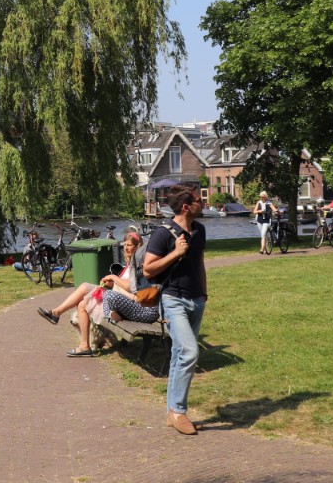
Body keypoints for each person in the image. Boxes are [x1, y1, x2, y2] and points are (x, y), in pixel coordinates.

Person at [143, 183, 207, 436]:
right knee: (190, 352)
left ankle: (172, 413)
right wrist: (176, 252)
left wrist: (204, 293)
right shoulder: (163, 233)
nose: (202, 204)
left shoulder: (200, 230)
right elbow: (148, 269)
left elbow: (200, 261)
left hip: (196, 300)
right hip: (173, 299)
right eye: (198, 201)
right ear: (185, 206)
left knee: (180, 355)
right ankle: (179, 411)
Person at [38, 229, 154, 356]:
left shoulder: (140, 263)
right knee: (82, 304)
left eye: (129, 245)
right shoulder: (130, 263)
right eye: (124, 245)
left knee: (85, 288)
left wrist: (113, 278)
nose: (126, 248)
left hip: (127, 304)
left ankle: (57, 313)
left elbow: (131, 286)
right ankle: (84, 345)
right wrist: (112, 283)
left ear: (138, 246)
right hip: (119, 299)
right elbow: (123, 284)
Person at [253, 190, 278, 255]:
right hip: (259, 220)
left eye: (263, 197)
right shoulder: (258, 203)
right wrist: (259, 211)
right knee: (262, 234)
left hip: (266, 221)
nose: (261, 198)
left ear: (266, 197)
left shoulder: (269, 203)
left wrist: (275, 211)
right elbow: (254, 211)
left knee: (263, 234)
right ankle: (264, 247)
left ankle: (261, 248)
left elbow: (274, 209)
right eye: (261, 197)